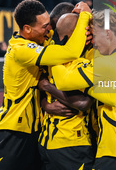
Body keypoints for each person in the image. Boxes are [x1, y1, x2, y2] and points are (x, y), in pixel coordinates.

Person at [0, 0, 91, 170]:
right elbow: (70, 51)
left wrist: (44, 104)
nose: (49, 29)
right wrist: (86, 15)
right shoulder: (20, 50)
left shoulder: (41, 38)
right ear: (27, 29)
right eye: (44, 26)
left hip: (36, 131)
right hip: (13, 131)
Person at [48, 9, 116, 170]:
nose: (94, 43)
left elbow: (63, 81)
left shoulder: (105, 64)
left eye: (95, 35)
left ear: (108, 33)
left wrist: (55, 50)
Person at [38, 13, 95, 170]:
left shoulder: (48, 57)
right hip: (72, 143)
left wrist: (46, 95)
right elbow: (83, 103)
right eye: (86, 29)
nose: (89, 32)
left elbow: (40, 86)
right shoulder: (81, 64)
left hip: (47, 141)